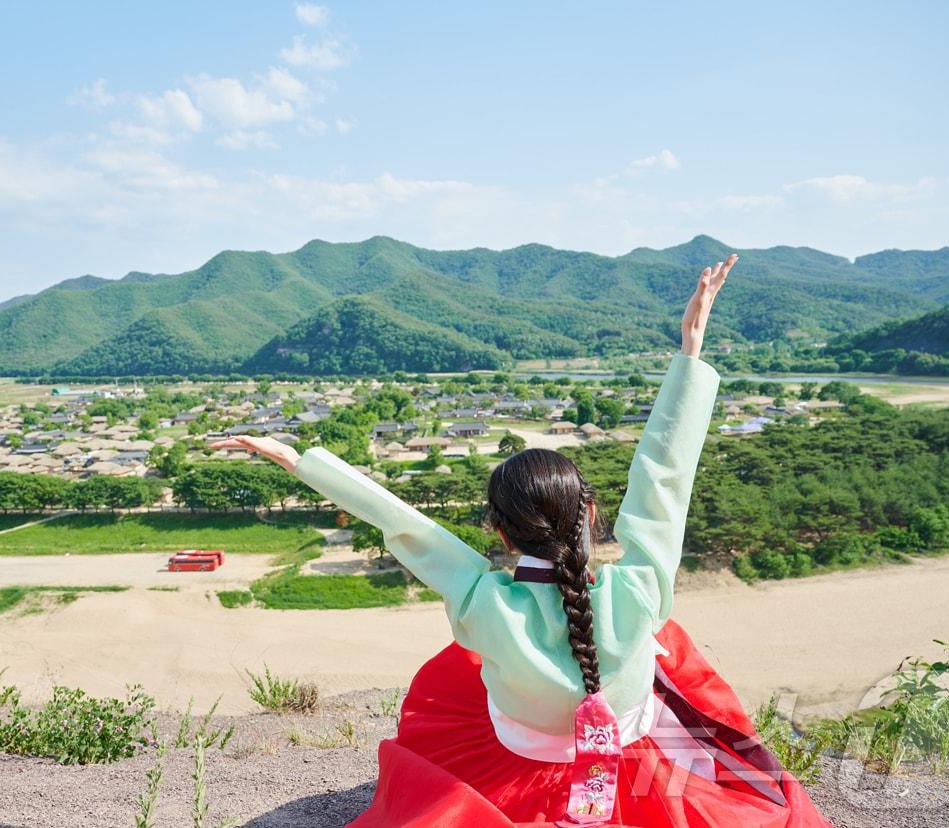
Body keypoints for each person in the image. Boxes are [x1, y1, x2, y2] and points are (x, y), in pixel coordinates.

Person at [212, 255, 834, 827]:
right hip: (634, 750)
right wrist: (689, 354)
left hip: (517, 760)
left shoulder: (485, 602)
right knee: (664, 638)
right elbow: (662, 479)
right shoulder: (639, 588)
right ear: (591, 512)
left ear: (498, 528)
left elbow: (406, 524)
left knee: (464, 666)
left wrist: (299, 461)